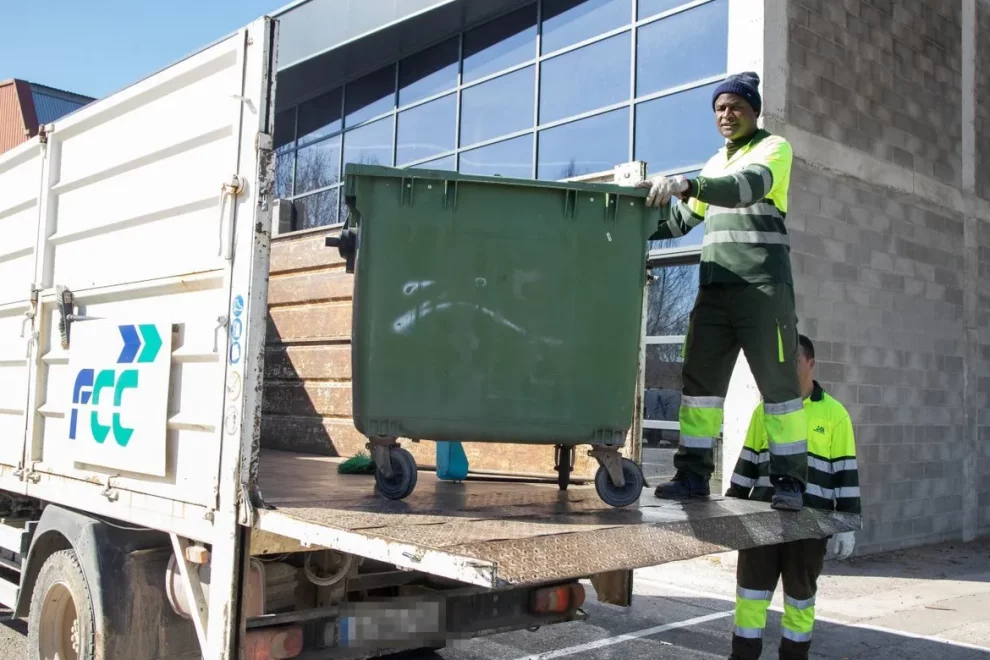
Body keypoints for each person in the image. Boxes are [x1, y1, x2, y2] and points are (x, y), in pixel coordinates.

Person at [639, 71, 807, 511]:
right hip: (714, 291)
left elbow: (745, 188)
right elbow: (678, 223)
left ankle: (788, 482)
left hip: (762, 289)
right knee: (700, 388)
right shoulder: (713, 164)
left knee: (779, 387)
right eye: (719, 108)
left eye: (735, 106)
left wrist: (688, 184)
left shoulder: (774, 149)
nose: (726, 114)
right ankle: (693, 475)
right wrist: (630, 214)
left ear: (754, 111)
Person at [725, 334, 861, 660]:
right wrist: (730, 507)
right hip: (762, 521)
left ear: (810, 363)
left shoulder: (834, 415)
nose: (787, 368)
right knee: (750, 598)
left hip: (809, 525)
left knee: (800, 602)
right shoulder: (765, 411)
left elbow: (845, 473)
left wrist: (847, 523)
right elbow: (747, 462)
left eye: (795, 361)